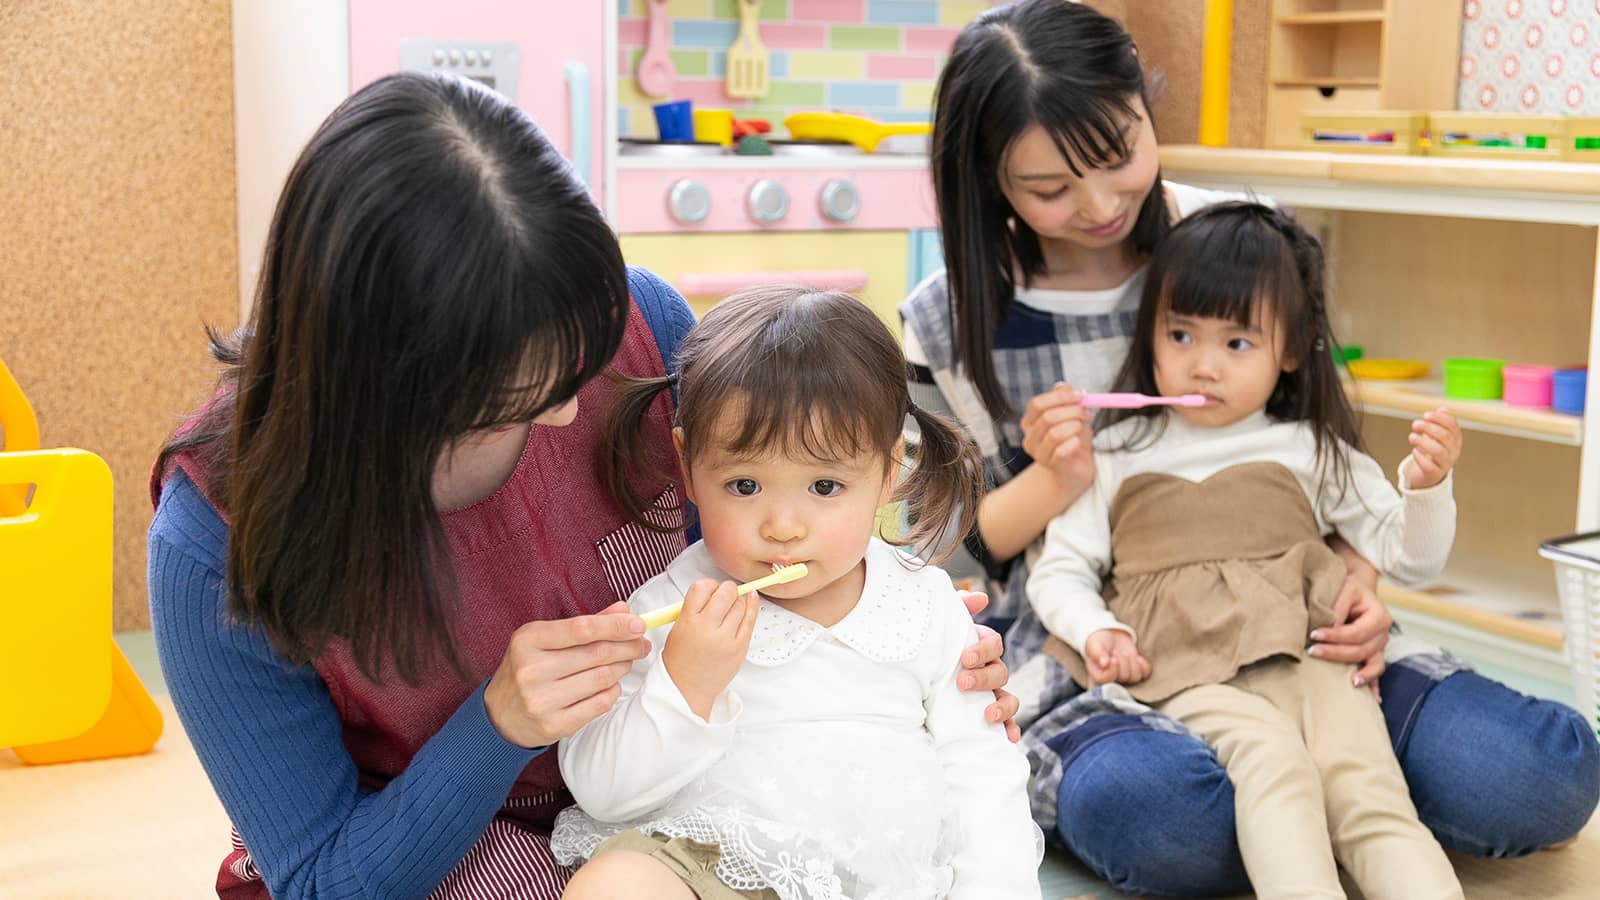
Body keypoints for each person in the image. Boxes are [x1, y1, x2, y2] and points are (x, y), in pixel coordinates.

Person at [146, 72, 1016, 899]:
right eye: (512, 405)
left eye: (584, 361)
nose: (570, 415)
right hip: (439, 849)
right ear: (385, 397)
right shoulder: (213, 541)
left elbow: (766, 551)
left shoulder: (641, 332)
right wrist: (494, 729)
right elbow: (324, 879)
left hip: (704, 804)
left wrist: (886, 643)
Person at [901, 1, 1598, 893]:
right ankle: (1313, 802)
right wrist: (1053, 479)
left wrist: (1356, 584)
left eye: (1119, 155)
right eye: (1050, 188)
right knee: (1164, 819)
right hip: (1099, 651)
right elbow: (941, 557)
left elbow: (1325, 462)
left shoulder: (1237, 238)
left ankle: (1336, 802)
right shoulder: (942, 322)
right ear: (987, 179)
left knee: (1537, 775)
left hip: (1291, 621)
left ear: (1148, 107)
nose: (1102, 204)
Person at [1028, 201, 1464, 898]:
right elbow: (1060, 572)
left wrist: (1427, 487)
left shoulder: (1311, 449)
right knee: (1274, 763)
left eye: (1236, 344)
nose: (1203, 366)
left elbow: (1409, 558)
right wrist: (1097, 629)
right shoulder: (1113, 453)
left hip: (1314, 656)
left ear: (1289, 351)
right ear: (1152, 334)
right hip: (1186, 668)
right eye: (1180, 335)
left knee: (1371, 797)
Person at [551, 286, 1043, 900]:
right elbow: (602, 792)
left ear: (890, 473)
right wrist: (687, 684)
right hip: (715, 864)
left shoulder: (925, 604)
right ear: (688, 467)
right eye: (746, 484)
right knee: (618, 883)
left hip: (888, 878)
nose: (783, 526)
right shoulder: (668, 608)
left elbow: (982, 775)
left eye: (826, 487)